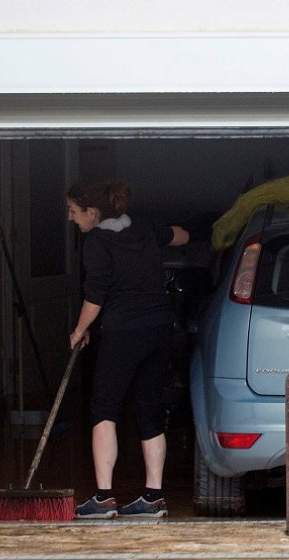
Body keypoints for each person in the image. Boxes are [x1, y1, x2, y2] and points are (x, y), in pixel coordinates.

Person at [66, 179, 190, 519]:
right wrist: (173, 236)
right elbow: (180, 236)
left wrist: (79, 329)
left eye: (73, 212)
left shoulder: (96, 242)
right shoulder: (143, 226)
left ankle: (104, 498)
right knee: (148, 407)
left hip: (124, 332)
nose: (70, 218)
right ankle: (153, 498)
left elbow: (95, 295)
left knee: (104, 407)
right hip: (160, 328)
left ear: (92, 212)